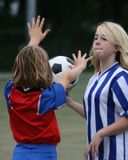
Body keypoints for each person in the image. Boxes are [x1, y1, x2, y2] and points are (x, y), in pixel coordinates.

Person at [4, 16, 92, 160]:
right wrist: (81, 66)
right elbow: (67, 78)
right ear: (43, 69)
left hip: (19, 153)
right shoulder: (46, 97)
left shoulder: (9, 91)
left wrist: (34, 41)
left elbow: (23, 65)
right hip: (44, 154)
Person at [67, 21, 128, 160]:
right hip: (97, 155)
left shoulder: (121, 77)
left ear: (117, 47)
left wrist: (100, 133)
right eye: (96, 38)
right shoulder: (94, 79)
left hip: (119, 155)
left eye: (104, 38)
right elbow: (95, 114)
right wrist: (70, 102)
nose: (97, 42)